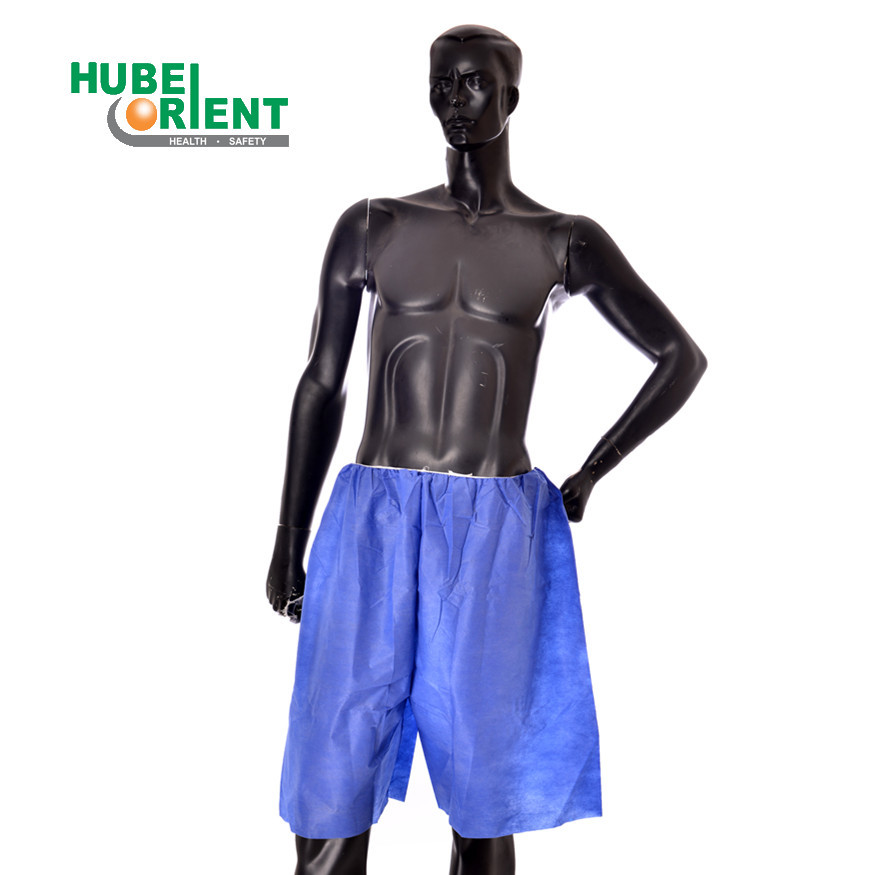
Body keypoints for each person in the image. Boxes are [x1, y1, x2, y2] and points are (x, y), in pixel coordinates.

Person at [266, 24, 706, 875]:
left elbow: (677, 357)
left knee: (482, 786)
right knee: (332, 768)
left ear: (511, 96)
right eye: (440, 83)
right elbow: (322, 382)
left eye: (472, 83)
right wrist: (288, 537)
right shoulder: (372, 224)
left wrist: (592, 471)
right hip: (370, 516)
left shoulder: (560, 240)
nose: (454, 101)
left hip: (494, 524)